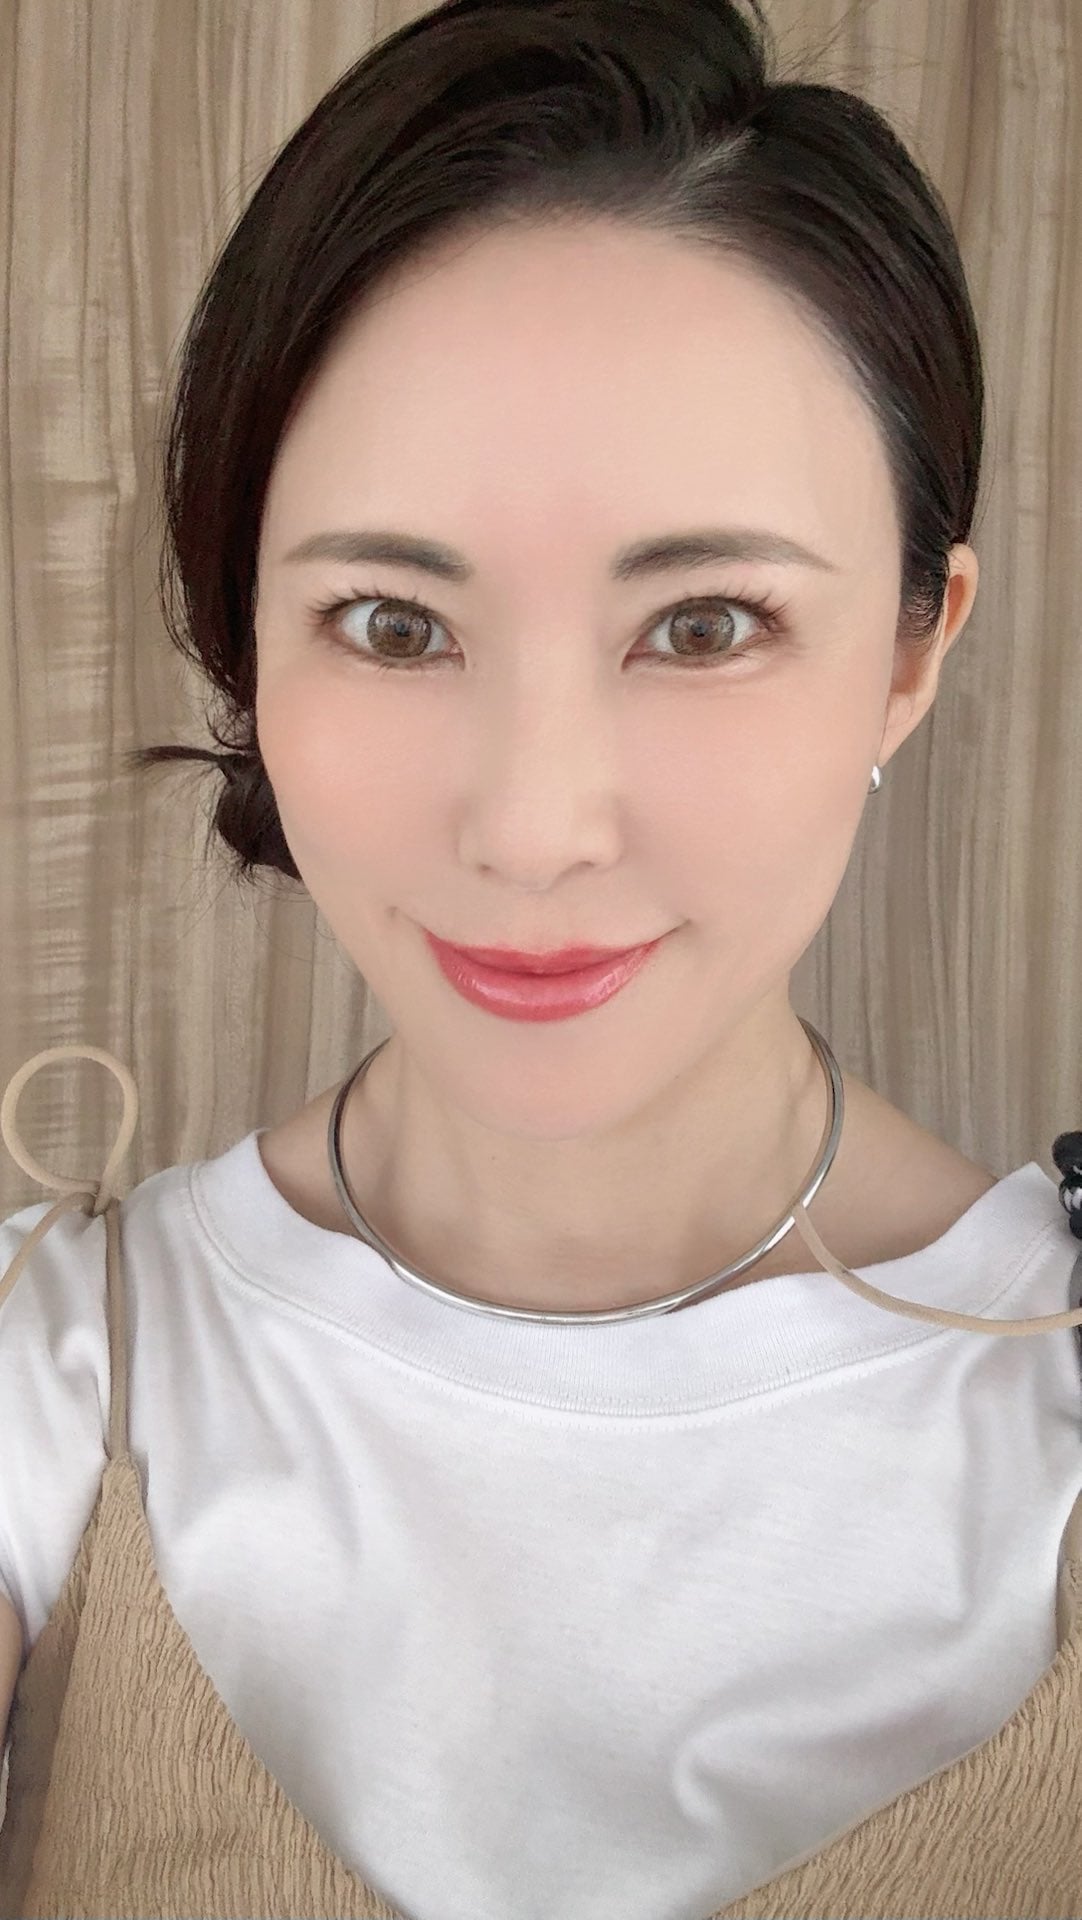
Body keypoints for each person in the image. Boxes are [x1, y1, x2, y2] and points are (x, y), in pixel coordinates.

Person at [2, 1, 1081, 1915]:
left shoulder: (1045, 1406)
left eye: (705, 625)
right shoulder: (56, 1379)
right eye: (393, 625)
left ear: (913, 650)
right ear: (247, 641)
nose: (532, 826)